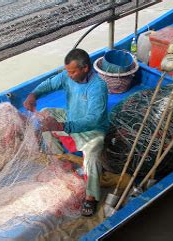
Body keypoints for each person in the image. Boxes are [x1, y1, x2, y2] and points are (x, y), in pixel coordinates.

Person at [23, 48, 109, 216]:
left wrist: (62, 126)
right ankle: (60, 161)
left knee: (92, 152)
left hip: (93, 130)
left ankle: (91, 197)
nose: (69, 75)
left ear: (85, 69)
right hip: (69, 118)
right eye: (67, 71)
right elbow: (50, 84)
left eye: (73, 71)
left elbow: (94, 119)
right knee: (46, 114)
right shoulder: (67, 76)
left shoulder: (97, 87)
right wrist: (34, 94)